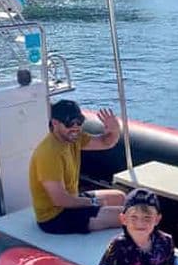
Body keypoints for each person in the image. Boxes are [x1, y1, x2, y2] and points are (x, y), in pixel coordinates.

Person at [29, 99, 126, 234]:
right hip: (55, 217)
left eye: (79, 122)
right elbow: (59, 200)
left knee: (120, 197)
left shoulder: (74, 138)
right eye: (69, 123)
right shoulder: (49, 154)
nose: (75, 127)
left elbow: (105, 143)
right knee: (128, 216)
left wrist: (115, 130)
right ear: (55, 123)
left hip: (71, 199)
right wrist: (94, 202)